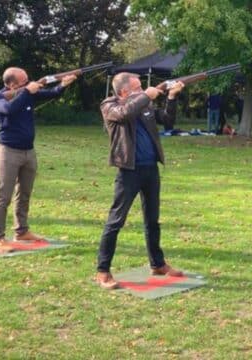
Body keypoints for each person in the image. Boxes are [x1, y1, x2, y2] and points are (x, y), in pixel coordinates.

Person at [95, 72, 185, 289]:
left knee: (152, 220)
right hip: (128, 171)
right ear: (124, 91)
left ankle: (158, 264)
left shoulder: (142, 105)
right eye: (137, 87)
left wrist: (171, 97)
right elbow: (124, 114)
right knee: (116, 221)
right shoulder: (110, 105)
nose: (142, 89)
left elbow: (168, 122)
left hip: (150, 169)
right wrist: (146, 95)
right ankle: (103, 271)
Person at [0, 67, 77, 253]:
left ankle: (21, 230)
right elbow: (9, 110)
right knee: (3, 195)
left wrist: (63, 85)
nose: (29, 82)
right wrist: (27, 91)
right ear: (12, 84)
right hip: (8, 150)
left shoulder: (27, 93)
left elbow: (51, 93)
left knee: (24, 193)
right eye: (24, 80)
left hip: (29, 150)